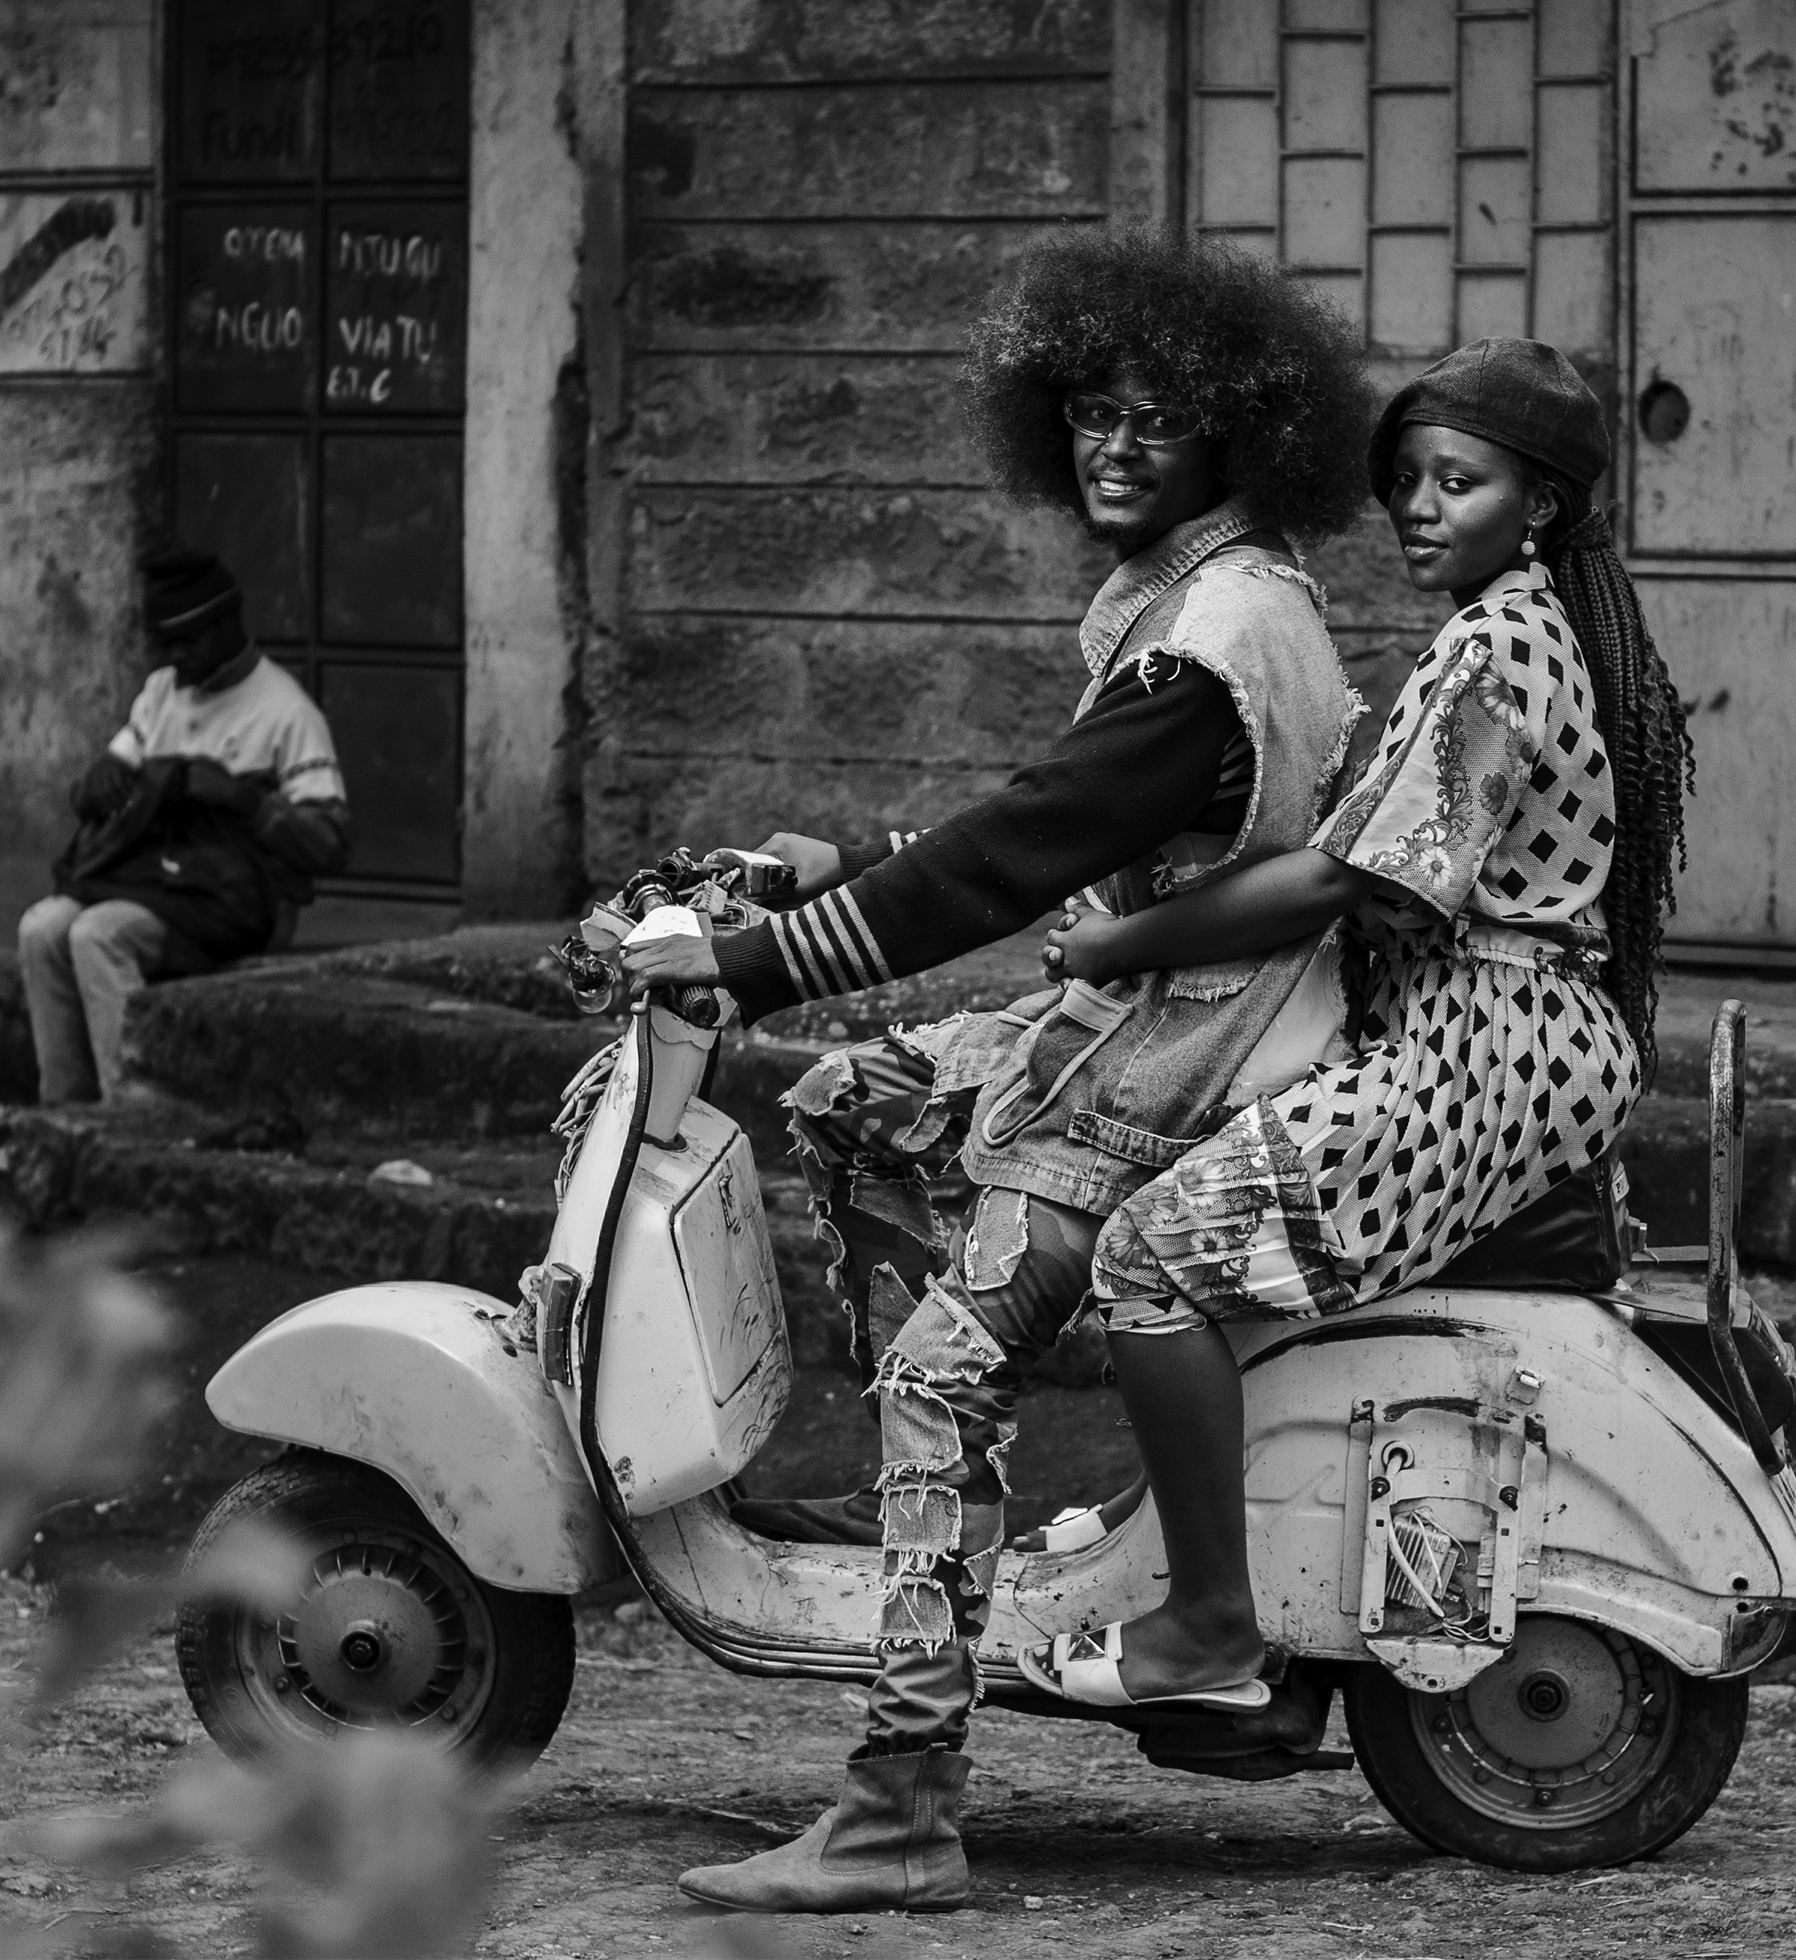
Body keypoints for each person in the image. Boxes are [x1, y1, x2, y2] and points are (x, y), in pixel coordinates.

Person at [625, 227, 1374, 1913]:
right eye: (1095, 411)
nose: (1117, 445)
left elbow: (1014, 859)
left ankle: (901, 1801)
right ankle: (946, 1532)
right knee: (858, 1106)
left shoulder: (1212, 642)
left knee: (935, 1373)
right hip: (1175, 1007)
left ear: (1235, 442)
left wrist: (747, 965)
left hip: (1196, 1044)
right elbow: (1064, 820)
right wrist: (852, 864)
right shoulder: (1213, 600)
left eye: (1159, 422)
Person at [1010, 337, 1689, 1711]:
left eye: (1462, 481)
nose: (1422, 508)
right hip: (1495, 1033)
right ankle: (1172, 1529)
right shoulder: (1527, 628)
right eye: (1408, 483)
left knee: (1150, 1258)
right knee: (1217, 1216)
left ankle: (1208, 1630)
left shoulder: (1498, 645)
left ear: (1540, 505)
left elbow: (1343, 877)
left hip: (1482, 1046)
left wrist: (1121, 936)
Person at [18, 546, 352, 1105]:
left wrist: (246, 801)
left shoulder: (286, 713)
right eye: (165, 644)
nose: (174, 658)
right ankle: (66, 1109)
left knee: (98, 934)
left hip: (238, 899)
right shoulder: (162, 693)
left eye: (186, 641)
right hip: (155, 881)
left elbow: (332, 844)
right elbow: (111, 773)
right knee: (41, 928)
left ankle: (134, 1110)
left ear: (227, 624)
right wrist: (98, 781)